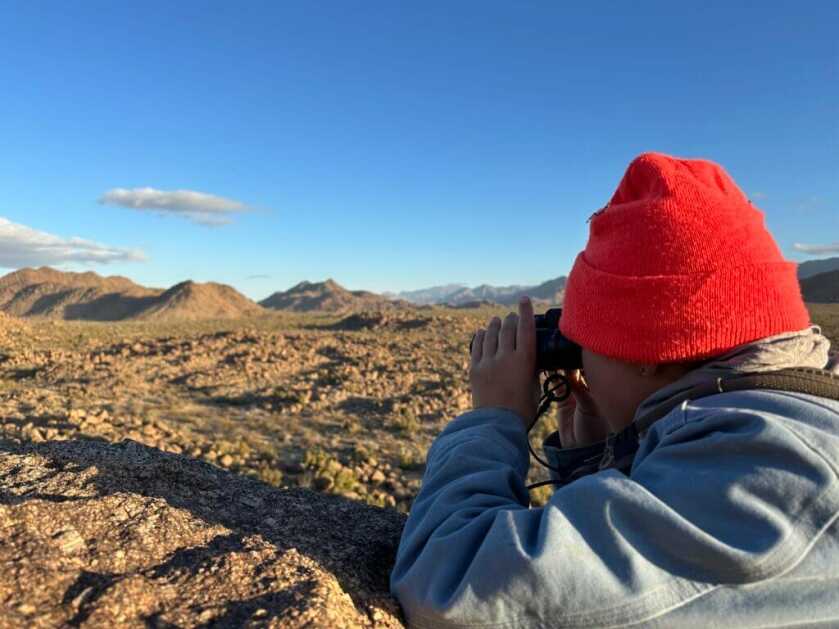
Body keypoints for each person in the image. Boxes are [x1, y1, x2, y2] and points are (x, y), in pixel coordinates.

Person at [389, 152, 839, 628]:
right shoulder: (777, 426)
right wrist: (600, 456)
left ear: (643, 354)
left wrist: (493, 419)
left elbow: (452, 586)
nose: (579, 362)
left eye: (585, 342)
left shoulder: (771, 466)